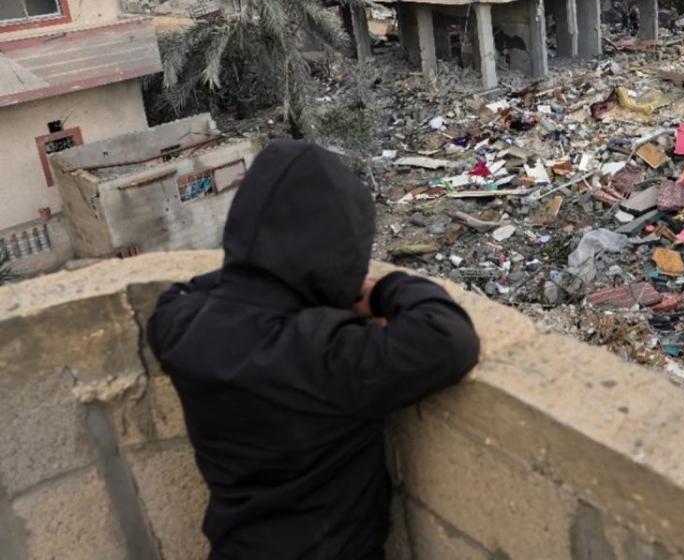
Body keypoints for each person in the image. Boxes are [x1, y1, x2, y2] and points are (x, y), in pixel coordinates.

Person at [148, 140, 480, 559]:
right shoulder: (324, 354)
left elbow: (191, 290)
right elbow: (449, 337)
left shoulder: (179, 327)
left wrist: (249, 271)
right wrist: (380, 292)